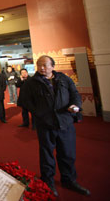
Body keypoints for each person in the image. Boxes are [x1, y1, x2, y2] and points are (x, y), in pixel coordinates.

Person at [20, 55, 90, 197]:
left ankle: (69, 180)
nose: (41, 68)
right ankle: (48, 181)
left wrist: (75, 105)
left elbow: (75, 94)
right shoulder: (31, 83)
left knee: (68, 154)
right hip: (46, 124)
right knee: (47, 155)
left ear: (53, 66)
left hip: (65, 123)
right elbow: (25, 101)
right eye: (39, 65)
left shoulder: (64, 79)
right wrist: (39, 113)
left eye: (45, 65)